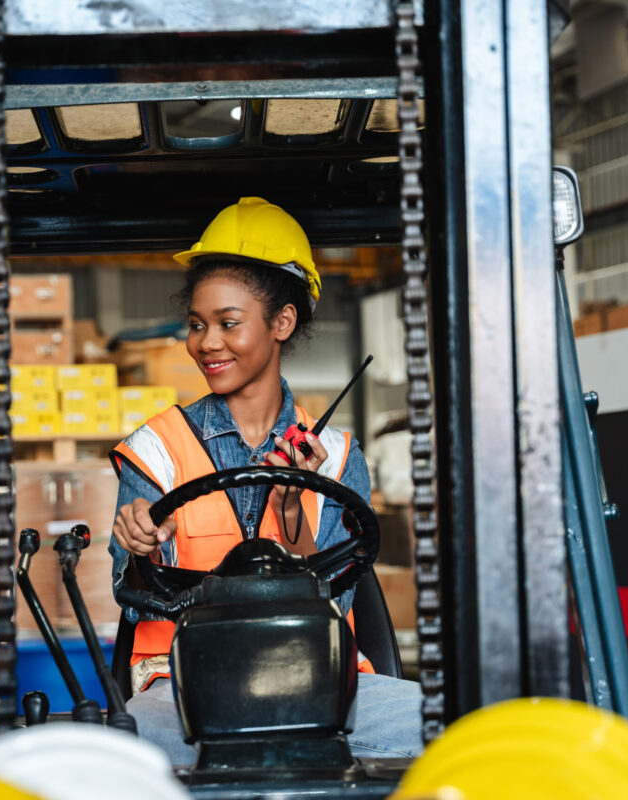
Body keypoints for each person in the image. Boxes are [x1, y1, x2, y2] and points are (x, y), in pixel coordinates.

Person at [108, 197, 423, 764]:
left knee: (446, 731)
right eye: (198, 325)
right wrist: (139, 545)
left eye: (229, 324)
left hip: (320, 681)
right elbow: (132, 596)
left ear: (282, 322)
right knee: (118, 750)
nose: (207, 343)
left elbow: (336, 597)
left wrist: (294, 512)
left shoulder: (337, 459)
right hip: (184, 686)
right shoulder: (156, 449)